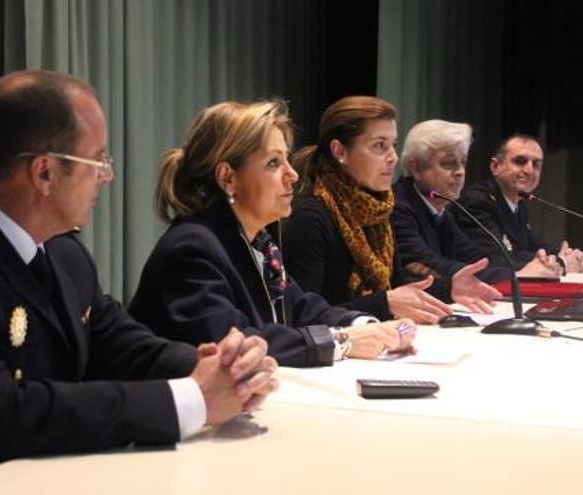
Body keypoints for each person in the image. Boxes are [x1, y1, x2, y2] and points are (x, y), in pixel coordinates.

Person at [0, 70, 277, 494]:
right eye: (98, 160)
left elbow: (122, 344)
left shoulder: (62, 253)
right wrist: (189, 400)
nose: (107, 176)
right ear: (44, 172)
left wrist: (224, 367)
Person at [128, 99, 413, 367]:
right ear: (228, 178)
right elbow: (239, 344)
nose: (293, 174)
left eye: (286, 160)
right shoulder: (192, 249)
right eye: (274, 163)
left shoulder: (257, 241)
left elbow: (303, 309)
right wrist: (342, 341)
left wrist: (368, 327)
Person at [284, 97, 500, 321]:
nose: (393, 158)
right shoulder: (311, 219)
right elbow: (303, 317)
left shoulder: (379, 211)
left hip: (380, 338)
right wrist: (385, 304)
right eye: (379, 146)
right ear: (340, 151)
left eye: (393, 146)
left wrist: (449, 288)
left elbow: (397, 289)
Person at [391, 120, 558, 305]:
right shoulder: (398, 206)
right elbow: (429, 263)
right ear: (416, 168)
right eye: (449, 164)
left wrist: (528, 270)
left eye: (462, 162)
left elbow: (476, 259)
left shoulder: (440, 209)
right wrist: (517, 274)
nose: (460, 172)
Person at [457, 133, 583, 274]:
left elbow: (535, 246)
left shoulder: (520, 205)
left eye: (536, 164)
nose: (529, 170)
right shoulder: (477, 202)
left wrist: (568, 256)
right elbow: (494, 259)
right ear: (495, 166)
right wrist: (562, 263)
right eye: (520, 161)